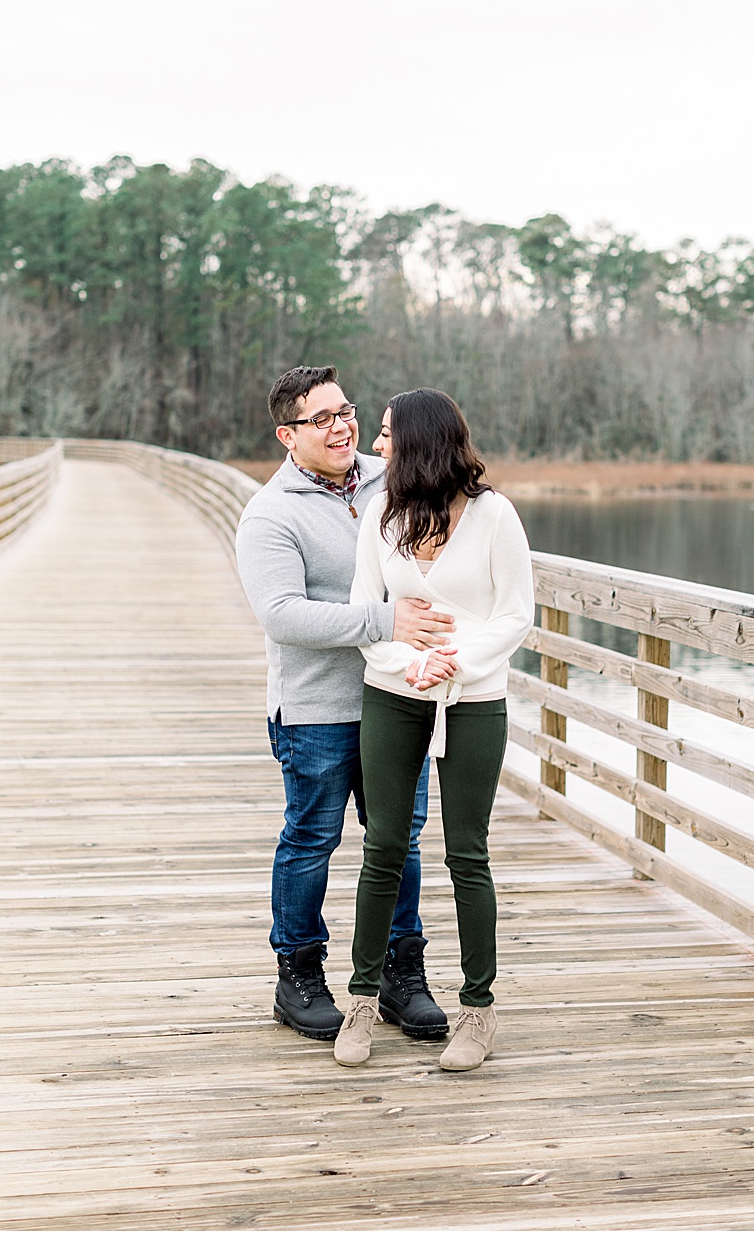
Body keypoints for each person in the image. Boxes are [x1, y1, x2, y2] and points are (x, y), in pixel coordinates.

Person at [237, 366, 458, 1042]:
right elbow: (284, 617)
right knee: (312, 840)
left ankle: (401, 975)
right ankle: (297, 975)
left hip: (397, 696)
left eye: (346, 412)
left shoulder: (391, 476)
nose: (342, 426)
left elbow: (457, 532)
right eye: (322, 418)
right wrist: (384, 620)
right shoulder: (271, 514)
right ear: (287, 434)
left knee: (400, 843)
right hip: (318, 709)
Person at [332, 389, 534, 1072]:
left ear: (421, 442)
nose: (377, 446)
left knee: (467, 853)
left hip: (474, 698)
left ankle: (477, 1013)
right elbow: (366, 608)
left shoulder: (493, 516)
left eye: (387, 435)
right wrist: (406, 664)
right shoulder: (380, 517)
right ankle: (361, 1002)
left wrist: (458, 662)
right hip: (394, 693)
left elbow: (515, 615)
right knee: (383, 845)